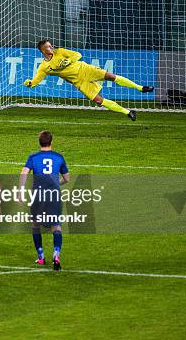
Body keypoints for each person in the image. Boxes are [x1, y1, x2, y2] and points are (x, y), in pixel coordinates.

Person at [23, 39, 155, 121]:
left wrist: (67, 60)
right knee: (99, 100)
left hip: (85, 69)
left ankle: (141, 88)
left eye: (51, 46)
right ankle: (128, 112)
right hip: (80, 82)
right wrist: (29, 83)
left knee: (111, 76)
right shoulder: (44, 67)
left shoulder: (61, 52)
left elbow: (78, 55)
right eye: (48, 47)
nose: (51, 48)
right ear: (42, 50)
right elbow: (35, 82)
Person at [19, 131, 70, 271]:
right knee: (56, 227)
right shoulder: (59, 157)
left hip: (38, 195)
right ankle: (56, 254)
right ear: (51, 142)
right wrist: (56, 184)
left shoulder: (33, 157)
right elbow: (67, 179)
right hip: (54, 195)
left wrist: (21, 192)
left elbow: (23, 173)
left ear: (39, 142)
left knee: (36, 225)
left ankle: (41, 256)